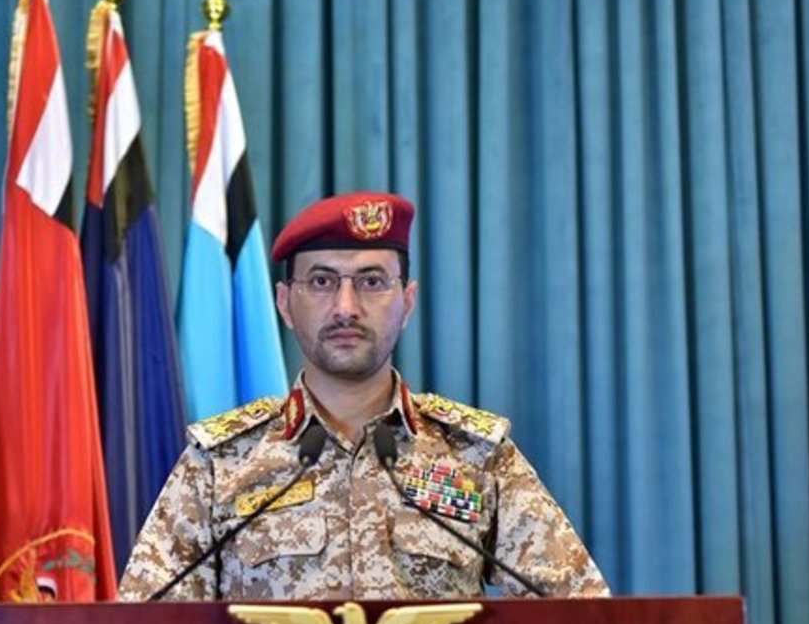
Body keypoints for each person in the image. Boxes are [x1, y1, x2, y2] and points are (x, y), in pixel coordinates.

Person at [118, 192, 608, 601]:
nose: (346, 307)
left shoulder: (475, 455)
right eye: (322, 282)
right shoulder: (221, 463)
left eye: (372, 282)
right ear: (285, 304)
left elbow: (580, 616)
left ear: (407, 302)